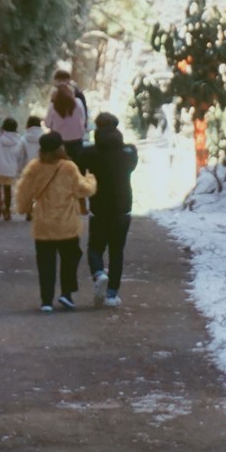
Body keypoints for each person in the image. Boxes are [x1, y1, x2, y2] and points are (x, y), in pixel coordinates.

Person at [14, 131, 95, 310]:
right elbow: (83, 190)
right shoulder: (68, 167)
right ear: (61, 148)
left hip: (43, 224)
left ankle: (46, 301)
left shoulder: (34, 167)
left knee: (45, 263)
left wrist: (23, 208)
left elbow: (23, 192)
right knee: (70, 258)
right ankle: (66, 294)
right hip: (67, 224)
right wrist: (90, 179)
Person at [82, 112, 138, 306]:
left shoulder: (90, 153)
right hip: (123, 206)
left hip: (99, 206)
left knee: (95, 247)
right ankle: (112, 294)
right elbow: (132, 165)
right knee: (117, 252)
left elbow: (79, 168)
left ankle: (98, 273)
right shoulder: (129, 151)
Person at [42, 70, 91, 164]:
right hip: (77, 140)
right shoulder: (78, 102)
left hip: (59, 142)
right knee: (76, 166)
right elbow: (83, 119)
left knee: (60, 166)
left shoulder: (53, 106)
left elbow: (47, 124)